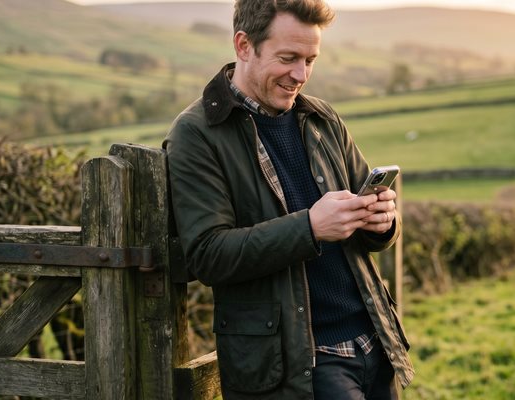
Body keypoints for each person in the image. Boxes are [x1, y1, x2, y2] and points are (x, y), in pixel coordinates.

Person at [163, 0, 414, 398]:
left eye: (310, 60)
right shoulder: (197, 134)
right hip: (302, 363)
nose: (300, 75)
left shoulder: (323, 118)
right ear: (244, 46)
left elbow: (370, 231)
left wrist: (383, 222)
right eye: (288, 57)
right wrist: (310, 227)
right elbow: (208, 254)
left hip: (373, 344)